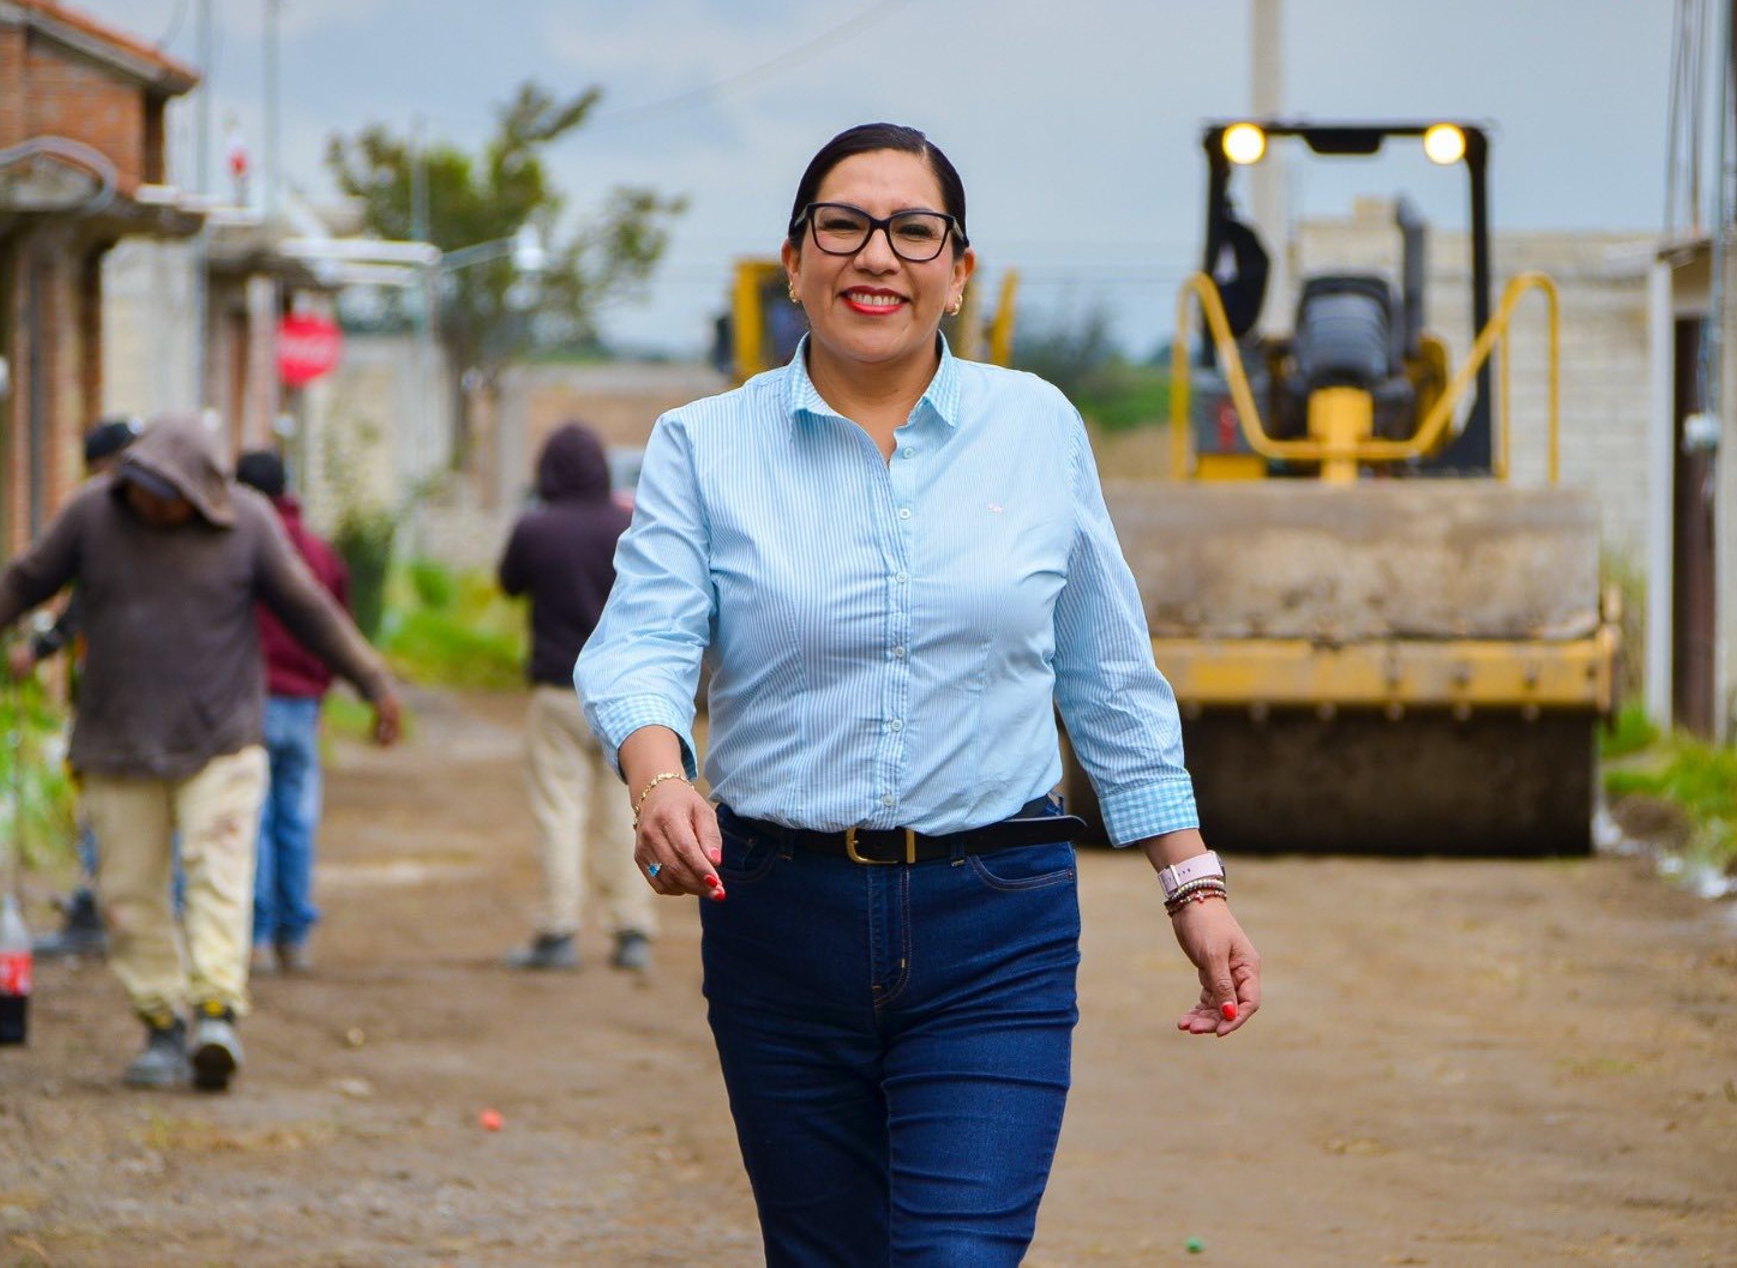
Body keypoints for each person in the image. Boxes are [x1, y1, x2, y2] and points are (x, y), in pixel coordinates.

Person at [575, 122, 1262, 1265]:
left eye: (912, 229)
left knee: (958, 1255)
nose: (875, 256)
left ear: (959, 271)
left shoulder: (1037, 429)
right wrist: (659, 776)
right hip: (777, 918)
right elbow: (639, 644)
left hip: (995, 922)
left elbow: (1107, 673)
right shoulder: (704, 445)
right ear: (793, 262)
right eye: (840, 225)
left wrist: (1191, 881)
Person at [0, 416, 401, 1093]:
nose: (150, 502)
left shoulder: (249, 522)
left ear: (204, 493)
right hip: (118, 742)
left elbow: (310, 609)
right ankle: (161, 1022)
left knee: (218, 874)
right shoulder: (94, 514)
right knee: (127, 894)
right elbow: (26, 579)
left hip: (221, 739)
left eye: (166, 492)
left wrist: (375, 681)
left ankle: (216, 1014)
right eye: (141, 486)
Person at [499, 422, 655, 972]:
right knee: (627, 813)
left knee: (559, 813)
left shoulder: (534, 529)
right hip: (624, 698)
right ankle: (632, 930)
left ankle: (558, 931)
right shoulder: (627, 523)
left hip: (558, 692)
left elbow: (509, 584)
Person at [12, 416, 142, 959]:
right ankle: (135, 906)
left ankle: (103, 907)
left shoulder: (115, 520)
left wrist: (37, 650)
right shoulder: (160, 514)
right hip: (151, 692)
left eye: (98, 470)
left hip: (117, 693)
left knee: (105, 795)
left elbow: (79, 604)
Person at [234, 449, 348, 975]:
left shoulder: (236, 547)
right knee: (297, 821)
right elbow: (337, 627)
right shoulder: (319, 553)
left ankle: (255, 938)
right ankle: (293, 936)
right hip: (302, 705)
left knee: (252, 820)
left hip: (248, 703)